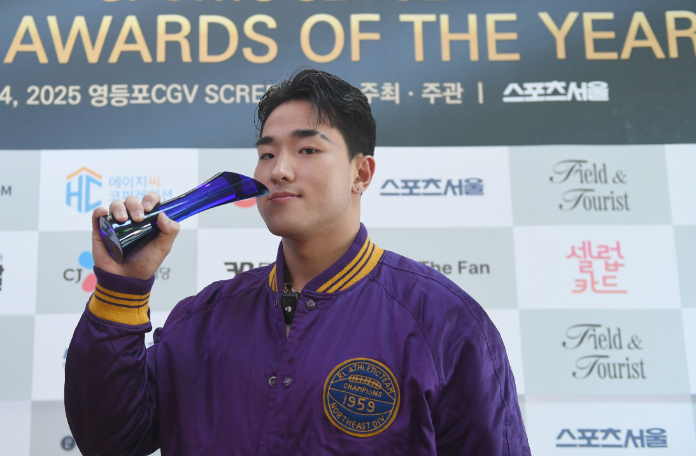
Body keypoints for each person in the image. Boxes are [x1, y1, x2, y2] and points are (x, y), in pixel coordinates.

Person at [65, 69, 531, 456]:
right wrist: (120, 289)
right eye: (266, 153)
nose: (278, 170)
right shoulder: (203, 319)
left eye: (307, 149)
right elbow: (111, 441)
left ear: (361, 172)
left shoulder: (444, 322)